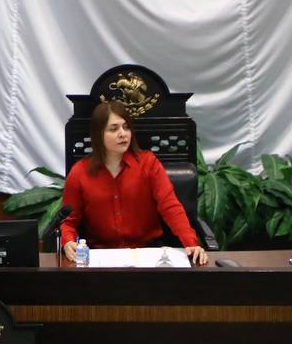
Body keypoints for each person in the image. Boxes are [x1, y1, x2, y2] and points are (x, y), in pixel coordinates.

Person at [60, 101, 208, 266]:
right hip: (101, 257)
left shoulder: (148, 164)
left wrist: (191, 242)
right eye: (114, 129)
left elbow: (170, 207)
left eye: (126, 127)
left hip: (148, 253)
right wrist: (68, 241)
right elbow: (68, 221)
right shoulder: (80, 172)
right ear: (98, 134)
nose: (123, 134)